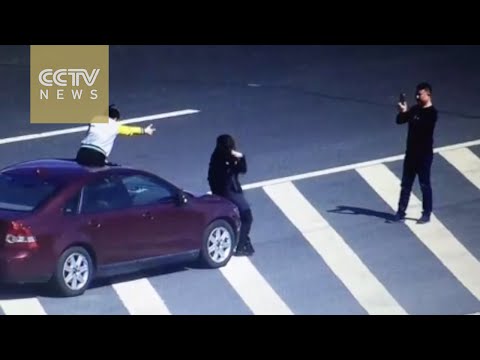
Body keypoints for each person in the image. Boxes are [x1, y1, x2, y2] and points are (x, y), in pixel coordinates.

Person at [394, 82, 438, 224]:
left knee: (424, 184)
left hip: (424, 155)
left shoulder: (432, 113)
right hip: (411, 154)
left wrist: (409, 115)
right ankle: (401, 211)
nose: (417, 96)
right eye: (417, 94)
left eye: (420, 94)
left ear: (428, 94)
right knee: (406, 184)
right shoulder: (415, 109)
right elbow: (399, 121)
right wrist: (403, 112)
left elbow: (422, 127)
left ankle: (426, 213)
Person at [208, 134, 254, 256]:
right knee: (247, 217)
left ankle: (243, 241)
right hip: (230, 192)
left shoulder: (217, 157)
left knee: (237, 217)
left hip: (225, 192)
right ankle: (241, 246)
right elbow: (241, 169)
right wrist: (240, 157)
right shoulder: (225, 159)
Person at [75, 105, 156, 167]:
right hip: (97, 155)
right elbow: (129, 131)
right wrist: (145, 130)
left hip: (82, 151)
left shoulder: (95, 120)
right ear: (115, 118)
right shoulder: (115, 126)